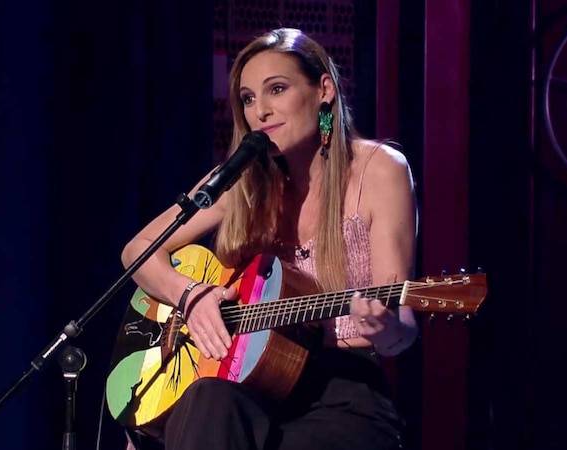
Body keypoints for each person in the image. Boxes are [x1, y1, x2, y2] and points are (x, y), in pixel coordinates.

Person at [121, 27, 419, 450]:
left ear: (324, 90)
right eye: (247, 99)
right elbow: (138, 252)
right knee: (202, 399)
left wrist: (385, 326)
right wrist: (190, 296)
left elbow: (401, 329)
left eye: (276, 89)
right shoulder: (241, 181)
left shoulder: (379, 169)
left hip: (343, 394)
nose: (259, 111)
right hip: (250, 383)